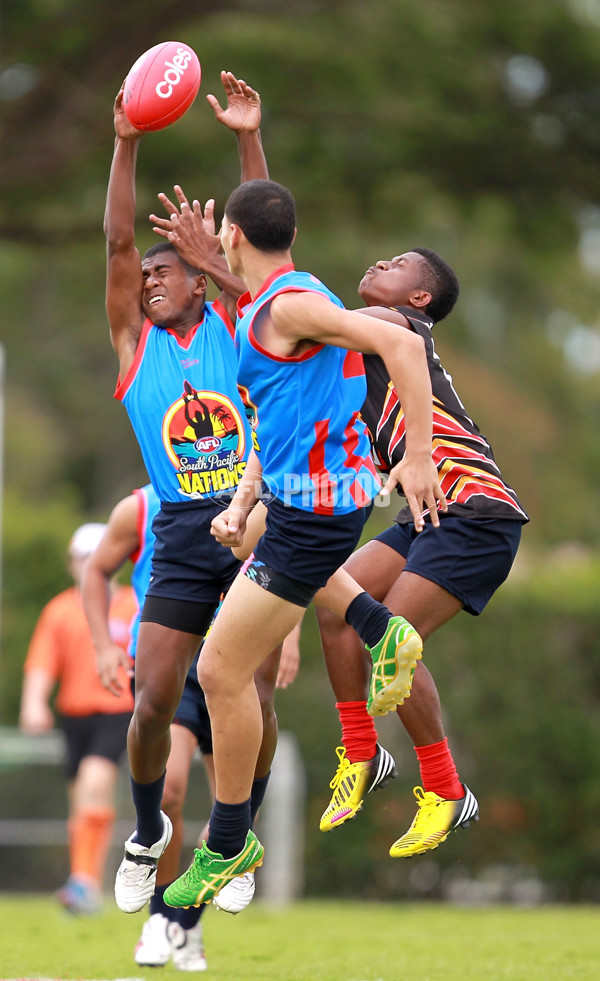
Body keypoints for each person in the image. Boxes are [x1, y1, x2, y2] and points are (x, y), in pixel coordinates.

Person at [157, 177, 445, 911]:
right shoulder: (274, 299)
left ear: (232, 237)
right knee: (238, 535)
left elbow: (399, 343)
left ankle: (227, 842)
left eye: (223, 226)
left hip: (318, 513)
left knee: (220, 672)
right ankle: (381, 630)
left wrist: (416, 456)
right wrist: (244, 497)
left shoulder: (289, 304)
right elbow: (282, 418)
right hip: (301, 504)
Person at [104, 72, 298, 919]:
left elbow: (262, 245)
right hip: (183, 525)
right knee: (153, 700)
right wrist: (125, 140)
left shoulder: (236, 322)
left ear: (201, 281)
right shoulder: (132, 347)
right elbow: (115, 244)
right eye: (142, 272)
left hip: (253, 521)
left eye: (166, 268)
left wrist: (247, 137)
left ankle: (236, 835)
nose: (149, 276)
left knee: (250, 694)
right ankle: (148, 834)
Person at [316, 248, 529, 857]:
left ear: (419, 300)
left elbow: (301, 316)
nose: (381, 261)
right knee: (335, 603)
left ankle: (446, 790)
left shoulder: (401, 327)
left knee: (388, 638)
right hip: (428, 515)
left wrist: (243, 271)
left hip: (475, 512)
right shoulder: (360, 354)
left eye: (400, 263)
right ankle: (361, 753)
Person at [82, 484, 302, 968]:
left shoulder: (259, 494)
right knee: (172, 791)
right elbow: (96, 570)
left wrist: (292, 632)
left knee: (235, 797)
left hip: (237, 655)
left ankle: (190, 923)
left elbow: (293, 559)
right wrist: (102, 645)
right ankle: (160, 916)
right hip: (174, 661)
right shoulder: (139, 505)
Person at [19, 523, 136, 915]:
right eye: (81, 557)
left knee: (94, 782)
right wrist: (34, 702)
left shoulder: (132, 604)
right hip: (75, 714)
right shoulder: (60, 610)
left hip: (118, 711)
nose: (87, 564)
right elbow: (42, 663)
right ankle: (85, 883)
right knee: (81, 804)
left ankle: (84, 881)